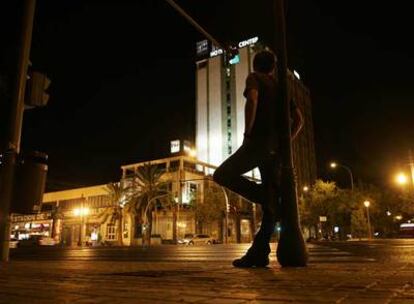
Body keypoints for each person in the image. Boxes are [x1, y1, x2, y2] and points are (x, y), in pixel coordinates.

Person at [213, 49, 303, 267]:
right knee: (270, 206)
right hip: (276, 149)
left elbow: (252, 100)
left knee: (222, 174)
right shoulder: (282, 88)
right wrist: (286, 142)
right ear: (273, 67)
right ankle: (259, 252)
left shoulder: (254, 78)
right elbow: (299, 120)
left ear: (255, 65)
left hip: (258, 143)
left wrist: (247, 133)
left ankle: (267, 197)